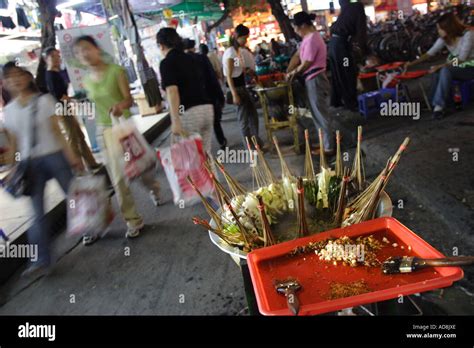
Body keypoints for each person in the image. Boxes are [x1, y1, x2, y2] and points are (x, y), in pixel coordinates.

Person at [73, 35, 161, 244]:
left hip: (125, 128)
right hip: (105, 131)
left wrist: (120, 106)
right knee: (118, 178)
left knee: (140, 170)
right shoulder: (85, 80)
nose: (83, 54)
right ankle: (133, 220)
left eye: (86, 48)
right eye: (78, 52)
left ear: (96, 48)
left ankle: (153, 186)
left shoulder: (116, 71)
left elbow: (128, 99)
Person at [2, 62, 82, 276]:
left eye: (18, 75)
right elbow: (14, 142)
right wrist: (12, 167)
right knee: (36, 213)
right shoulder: (8, 112)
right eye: (9, 77)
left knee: (75, 196)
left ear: (27, 78)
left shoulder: (45, 100)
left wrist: (72, 155)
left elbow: (57, 131)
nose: (15, 80)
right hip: (30, 164)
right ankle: (40, 259)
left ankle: (94, 225)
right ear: (5, 83)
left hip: (55, 155)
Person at [405, 12, 474, 119]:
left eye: (440, 29)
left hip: (470, 67)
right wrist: (411, 64)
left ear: (449, 28)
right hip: (456, 67)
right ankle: (434, 101)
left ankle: (439, 106)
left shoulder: (468, 34)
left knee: (445, 69)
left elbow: (461, 59)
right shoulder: (445, 39)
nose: (438, 31)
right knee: (437, 71)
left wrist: (441, 66)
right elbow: (430, 53)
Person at [43, 47, 100, 170]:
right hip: (62, 110)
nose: (56, 58)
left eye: (57, 55)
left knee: (79, 136)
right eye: (52, 56)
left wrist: (72, 99)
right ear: (46, 59)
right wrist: (74, 99)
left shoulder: (56, 73)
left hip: (66, 108)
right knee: (73, 138)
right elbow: (58, 96)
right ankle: (77, 167)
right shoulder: (50, 75)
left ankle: (91, 163)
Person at [287, 11, 335, 155]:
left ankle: (328, 148)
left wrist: (293, 73)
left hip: (316, 79)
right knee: (316, 113)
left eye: (295, 27)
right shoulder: (307, 38)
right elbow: (297, 56)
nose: (294, 30)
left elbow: (307, 62)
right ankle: (325, 143)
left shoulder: (313, 38)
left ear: (302, 25)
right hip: (312, 80)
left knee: (320, 113)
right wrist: (289, 70)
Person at [223, 24, 263, 149]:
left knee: (252, 115)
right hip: (236, 89)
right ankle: (249, 147)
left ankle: (255, 142)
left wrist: (248, 71)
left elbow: (237, 69)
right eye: (244, 38)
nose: (245, 40)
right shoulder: (230, 53)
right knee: (244, 120)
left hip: (242, 87)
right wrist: (234, 94)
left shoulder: (237, 51)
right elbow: (229, 76)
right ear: (236, 36)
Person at [186, 40, 227, 150]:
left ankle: (201, 150)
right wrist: (221, 97)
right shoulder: (203, 58)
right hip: (209, 98)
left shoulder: (180, 63)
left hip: (192, 103)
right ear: (194, 48)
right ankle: (222, 141)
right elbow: (213, 79)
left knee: (197, 128)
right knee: (215, 122)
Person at [328, 0, 368, 111]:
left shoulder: (347, 7)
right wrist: (366, 53)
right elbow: (361, 32)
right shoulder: (358, 7)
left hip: (333, 45)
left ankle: (336, 101)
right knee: (348, 72)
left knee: (337, 73)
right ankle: (351, 103)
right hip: (341, 46)